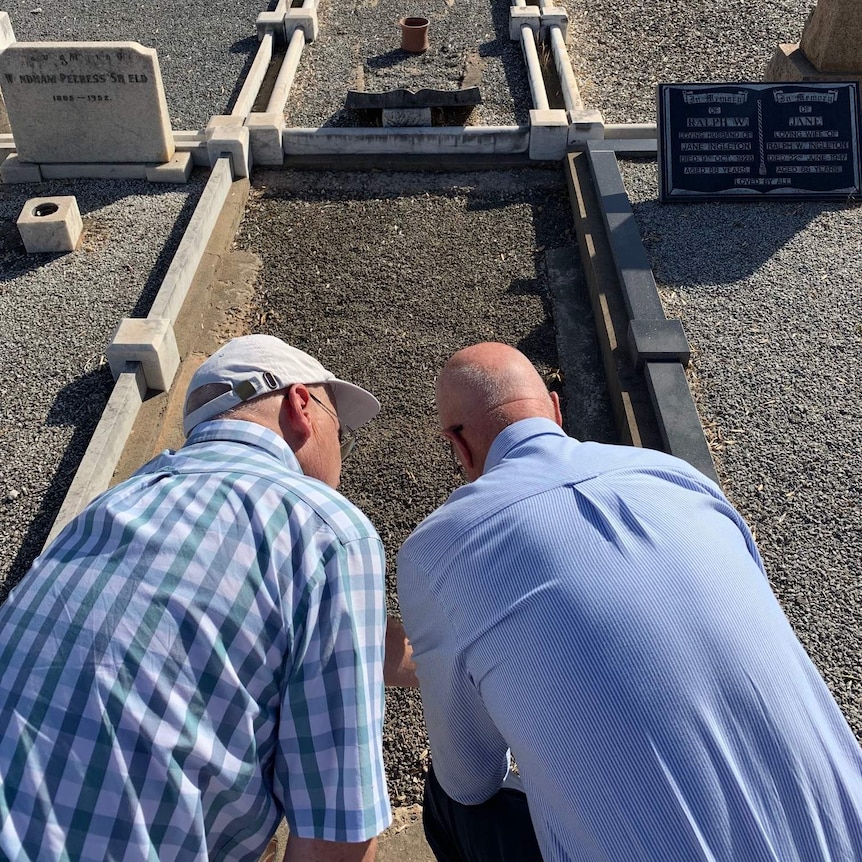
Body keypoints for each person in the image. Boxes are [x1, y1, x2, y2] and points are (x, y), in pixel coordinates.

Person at [397, 341, 862, 862]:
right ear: (555, 408)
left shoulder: (438, 552)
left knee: (448, 800)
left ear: (457, 444)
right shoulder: (679, 477)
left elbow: (470, 780)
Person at [0, 334, 414, 862]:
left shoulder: (114, 505)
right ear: (300, 405)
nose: (342, 459)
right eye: (343, 434)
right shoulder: (328, 528)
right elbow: (338, 834)